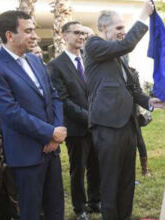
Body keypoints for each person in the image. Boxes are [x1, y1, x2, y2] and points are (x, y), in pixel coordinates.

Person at [84, 1, 165, 219]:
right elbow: (128, 43)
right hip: (107, 127)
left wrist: (151, 102)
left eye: (124, 28)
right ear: (103, 28)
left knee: (127, 181)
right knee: (110, 182)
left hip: (129, 125)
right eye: (119, 28)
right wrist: (143, 16)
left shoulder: (119, 56)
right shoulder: (93, 45)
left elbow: (132, 88)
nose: (123, 32)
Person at [0, 10, 66, 220]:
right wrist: (49, 132)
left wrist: (57, 131)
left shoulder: (36, 61)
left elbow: (55, 97)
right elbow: (10, 112)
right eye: (28, 31)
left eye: (34, 29)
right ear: (10, 35)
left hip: (51, 151)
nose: (35, 35)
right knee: (31, 212)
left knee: (56, 208)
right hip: (26, 155)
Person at [47, 21, 101, 220]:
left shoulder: (88, 60)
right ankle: (81, 209)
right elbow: (62, 99)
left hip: (97, 125)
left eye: (83, 34)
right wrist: (88, 116)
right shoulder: (55, 65)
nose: (81, 37)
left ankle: (96, 201)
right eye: (76, 33)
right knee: (78, 169)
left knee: (96, 166)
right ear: (64, 36)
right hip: (77, 127)